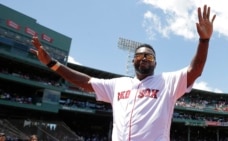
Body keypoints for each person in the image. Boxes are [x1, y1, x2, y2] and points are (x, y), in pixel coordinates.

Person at [31, 4, 216, 141]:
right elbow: (85, 82)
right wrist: (52, 63)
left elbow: (195, 70)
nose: (144, 58)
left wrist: (204, 41)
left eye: (149, 57)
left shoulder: (167, 82)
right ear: (133, 60)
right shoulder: (117, 85)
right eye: (140, 55)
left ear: (155, 63)